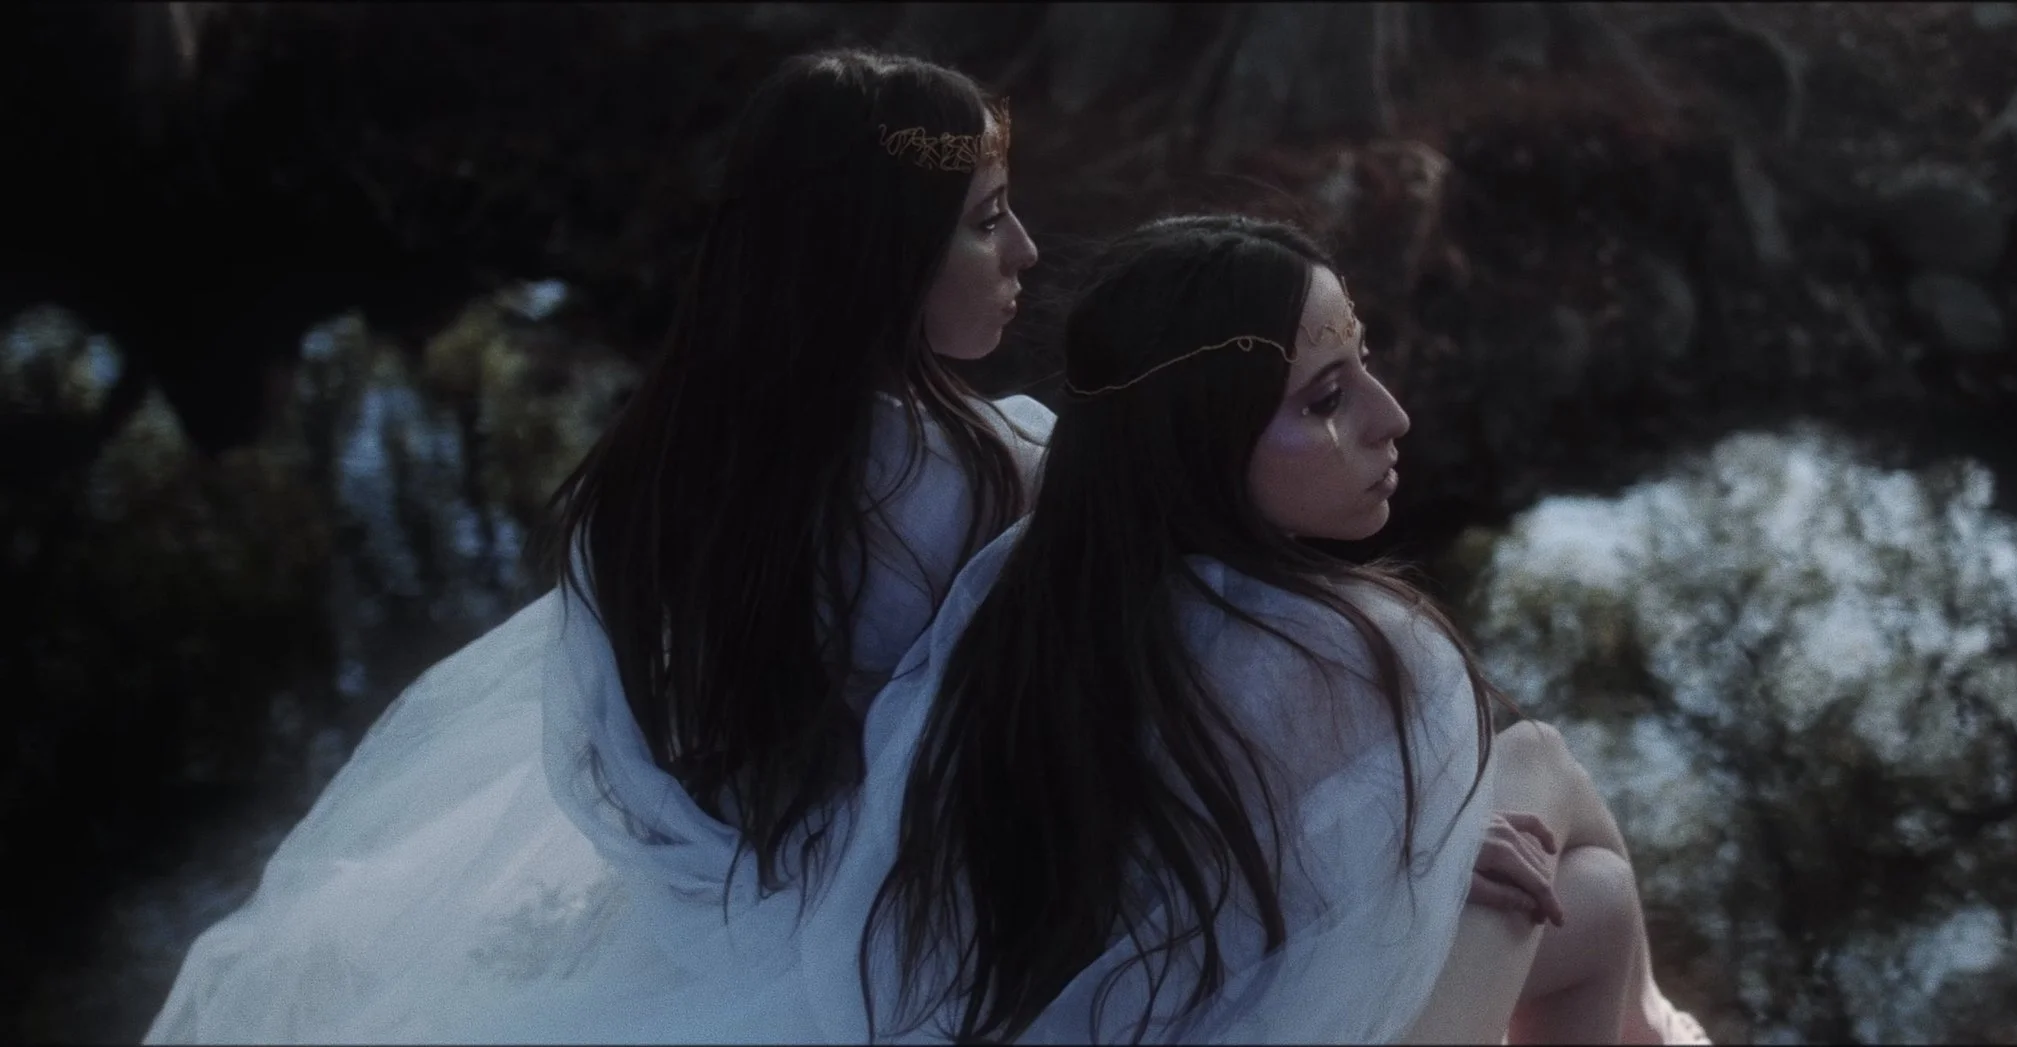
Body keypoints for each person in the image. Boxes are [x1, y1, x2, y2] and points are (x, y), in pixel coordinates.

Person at [144, 48, 1048, 1043]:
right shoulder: (988, 477)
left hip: (718, 907)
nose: (1027, 250)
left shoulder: (671, 464)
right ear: (878, 250)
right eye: (987, 220)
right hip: (907, 935)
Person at [808, 213, 1709, 1043]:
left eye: (1364, 362)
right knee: (1541, 762)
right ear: (1201, 436)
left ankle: (1653, 1021)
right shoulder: (1333, 646)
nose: (1392, 416)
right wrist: (1430, 844)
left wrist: (1422, 847)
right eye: (1325, 401)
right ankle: (1660, 1026)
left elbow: (1225, 895)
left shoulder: (1038, 588)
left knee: (1592, 897)